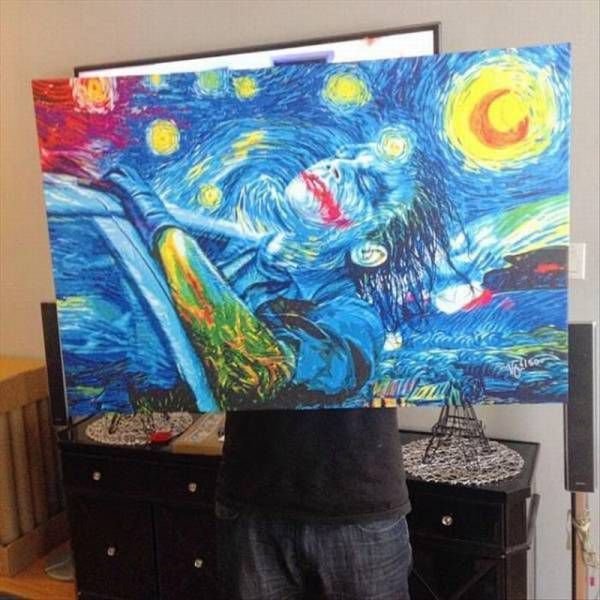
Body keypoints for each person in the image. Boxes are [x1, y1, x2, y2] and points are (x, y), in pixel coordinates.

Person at [100, 142, 456, 598]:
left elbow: (255, 366)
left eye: (365, 182)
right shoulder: (236, 254)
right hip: (250, 500)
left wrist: (158, 223)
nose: (337, 167)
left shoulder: (356, 320)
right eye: (346, 156)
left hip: (355, 514)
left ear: (369, 249)